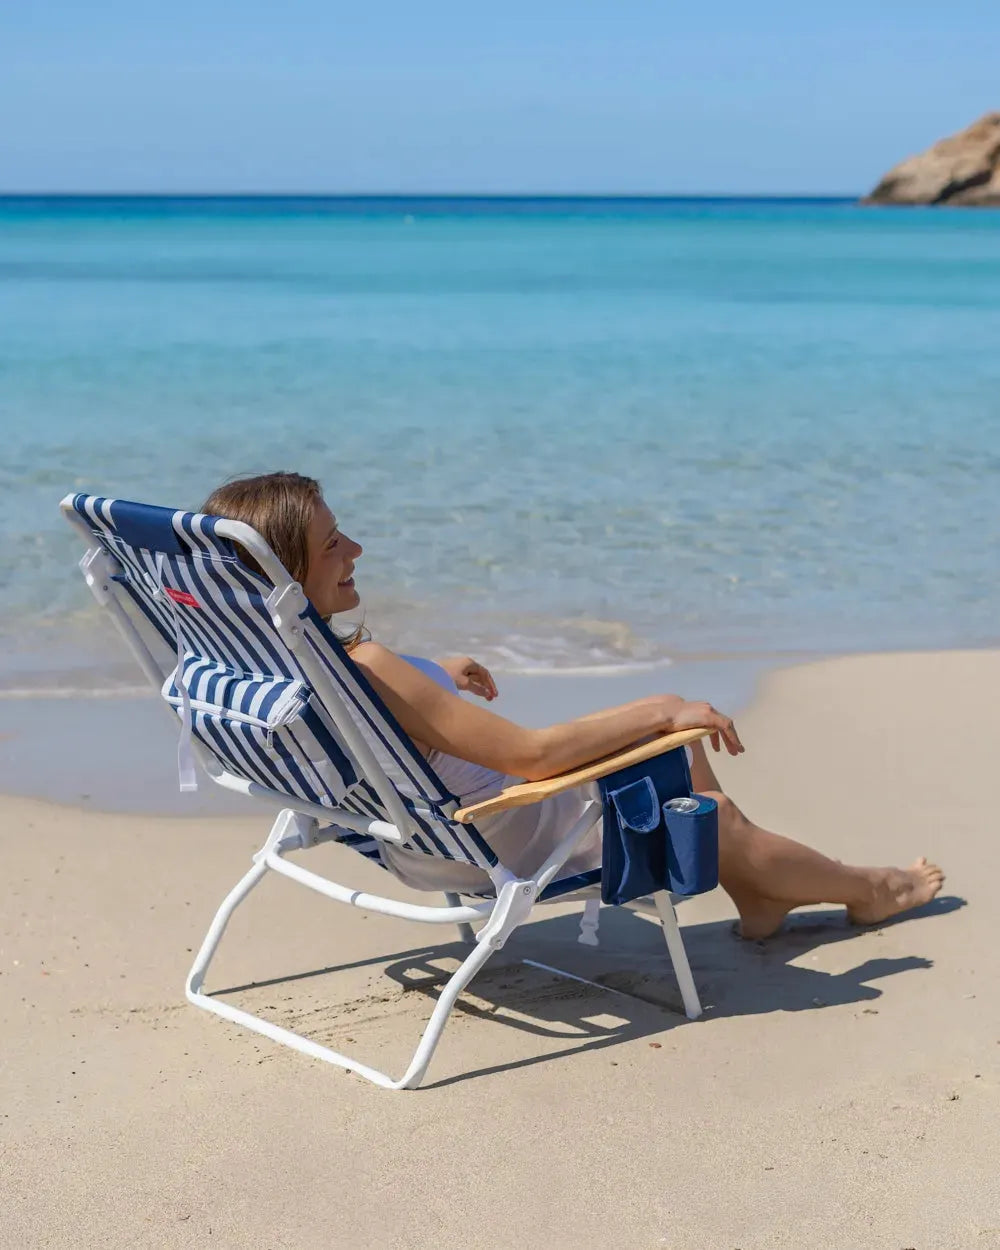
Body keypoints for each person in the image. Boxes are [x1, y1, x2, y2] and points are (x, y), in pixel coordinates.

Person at [201, 471, 944, 939]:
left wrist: (435, 672)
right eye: (333, 545)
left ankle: (762, 888)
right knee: (684, 763)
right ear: (288, 575)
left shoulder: (256, 666)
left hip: (407, 842)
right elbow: (533, 757)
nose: (356, 548)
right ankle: (867, 887)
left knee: (687, 772)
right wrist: (660, 707)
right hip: (508, 836)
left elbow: (398, 716)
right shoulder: (370, 669)